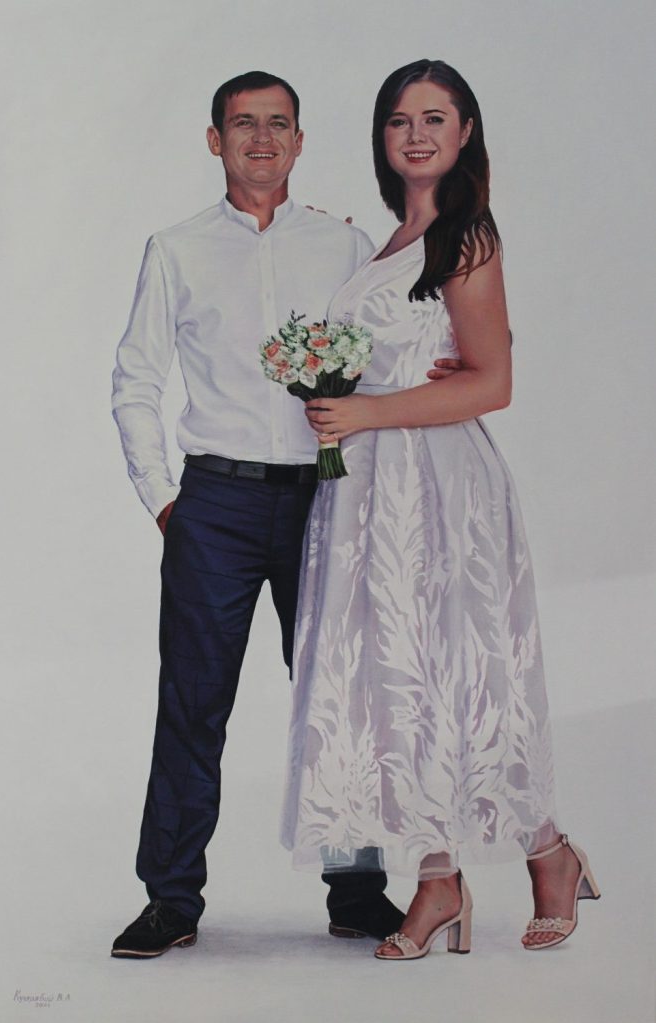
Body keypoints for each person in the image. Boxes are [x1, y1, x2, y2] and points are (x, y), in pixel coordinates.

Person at [110, 70, 459, 959]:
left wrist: (452, 372)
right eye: (243, 123)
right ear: (215, 139)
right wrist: (164, 499)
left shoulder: (345, 247)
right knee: (193, 703)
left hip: (327, 495)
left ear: (300, 141)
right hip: (215, 502)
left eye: (278, 124)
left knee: (343, 697)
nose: (261, 139)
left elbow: (391, 348)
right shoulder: (176, 249)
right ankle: (171, 898)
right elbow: (136, 380)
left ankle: (357, 890)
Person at [281, 59, 600, 960]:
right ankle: (437, 876)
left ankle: (547, 853)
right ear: (381, 138)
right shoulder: (388, 241)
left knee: (464, 676)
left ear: (465, 133)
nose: (415, 134)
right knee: (396, 682)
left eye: (434, 117)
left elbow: (494, 382)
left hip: (439, 490)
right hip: (371, 495)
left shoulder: (468, 235)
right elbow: (422, 347)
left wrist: (367, 412)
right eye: (399, 120)